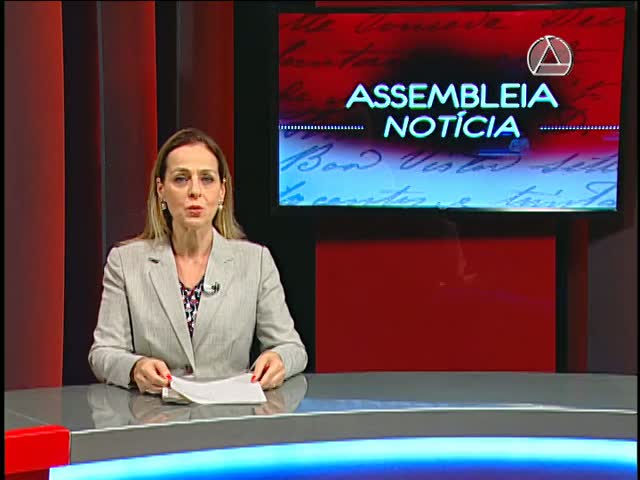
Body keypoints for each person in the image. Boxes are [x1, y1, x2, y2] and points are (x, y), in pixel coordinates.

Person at [89, 127, 308, 394]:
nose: (195, 191)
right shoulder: (125, 262)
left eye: (207, 179)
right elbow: (103, 353)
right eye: (181, 179)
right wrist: (135, 368)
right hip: (153, 412)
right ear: (161, 190)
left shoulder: (256, 262)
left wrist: (279, 360)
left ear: (222, 191)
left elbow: (292, 348)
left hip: (230, 413)